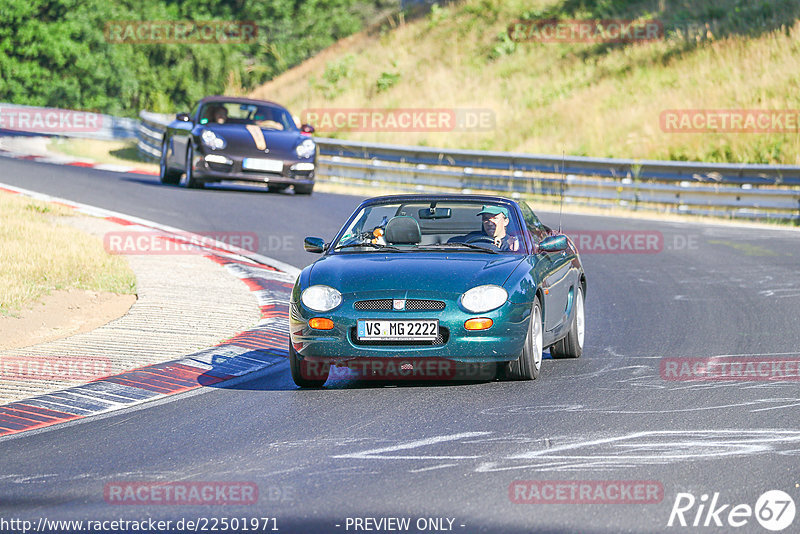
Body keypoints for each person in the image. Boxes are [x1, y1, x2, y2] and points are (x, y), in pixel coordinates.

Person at [449, 205, 520, 251]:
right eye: (486, 219)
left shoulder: (511, 243)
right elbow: (451, 243)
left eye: (495, 218)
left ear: (506, 221)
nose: (489, 223)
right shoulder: (472, 237)